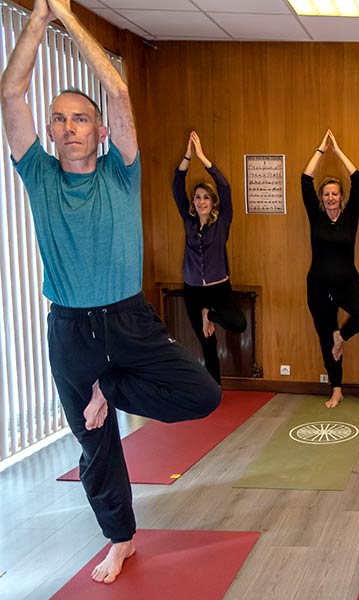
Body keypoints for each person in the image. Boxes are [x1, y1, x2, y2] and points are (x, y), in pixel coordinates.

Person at [0, 0, 221, 584]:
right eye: (59, 119)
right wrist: (36, 21)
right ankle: (119, 538)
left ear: (99, 131)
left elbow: (119, 94)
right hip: (69, 329)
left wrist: (69, 18)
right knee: (96, 448)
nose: (68, 127)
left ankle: (113, 387)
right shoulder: (38, 173)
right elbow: (10, 94)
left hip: (128, 321)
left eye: (79, 118)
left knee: (202, 394)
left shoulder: (123, 170)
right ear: (49, 131)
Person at [301, 129, 359, 408]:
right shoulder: (316, 216)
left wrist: (338, 151)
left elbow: (358, 180)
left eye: (335, 193)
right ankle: (336, 389)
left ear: (341, 196)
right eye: (327, 194)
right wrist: (321, 150)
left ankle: (341, 336)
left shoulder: (350, 217)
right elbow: (305, 180)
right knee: (325, 340)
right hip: (318, 287)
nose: (331, 197)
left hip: (347, 283)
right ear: (322, 198)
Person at [172, 130, 247, 384]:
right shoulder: (188, 220)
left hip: (219, 290)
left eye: (206, 197)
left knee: (238, 324)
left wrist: (202, 158)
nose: (201, 201)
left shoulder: (222, 222)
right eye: (198, 197)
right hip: (193, 290)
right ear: (193, 202)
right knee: (207, 344)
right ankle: (215, 389)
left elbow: (224, 187)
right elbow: (176, 185)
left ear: (213, 203)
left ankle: (210, 314)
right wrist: (187, 157)